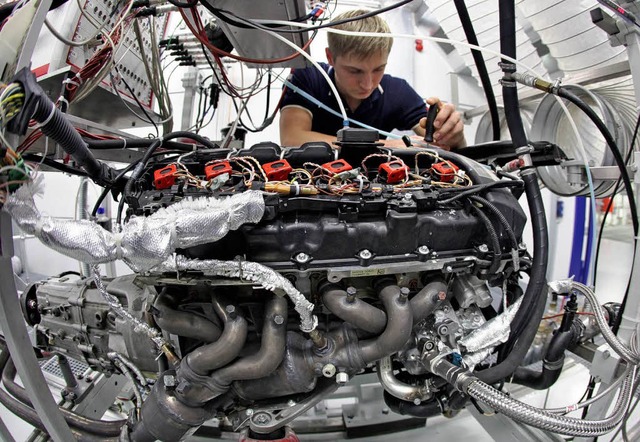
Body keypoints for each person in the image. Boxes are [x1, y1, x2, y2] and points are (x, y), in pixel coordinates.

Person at [279, 9, 466, 150]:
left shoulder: (397, 90)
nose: (368, 84)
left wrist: (452, 134)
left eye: (378, 69)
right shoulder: (308, 75)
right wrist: (391, 145)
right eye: (355, 71)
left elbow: (435, 142)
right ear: (330, 58)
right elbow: (292, 138)